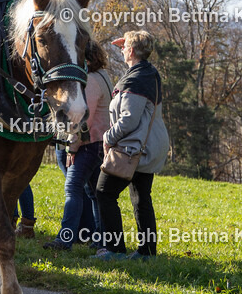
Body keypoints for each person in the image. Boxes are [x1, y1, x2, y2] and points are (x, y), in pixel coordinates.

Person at [93, 30, 170, 261]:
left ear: (133, 51)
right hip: (148, 146)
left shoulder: (136, 80)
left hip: (133, 148)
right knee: (140, 197)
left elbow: (128, 119)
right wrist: (127, 41)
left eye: (125, 47)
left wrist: (108, 138)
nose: (122, 49)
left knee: (104, 192)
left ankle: (115, 250)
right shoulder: (147, 73)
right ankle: (147, 253)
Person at [42, 40, 112, 249]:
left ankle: (64, 240)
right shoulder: (103, 76)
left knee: (72, 189)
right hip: (99, 143)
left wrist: (72, 148)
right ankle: (99, 238)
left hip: (87, 144)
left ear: (87, 60)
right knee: (93, 193)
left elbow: (82, 120)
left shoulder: (90, 80)